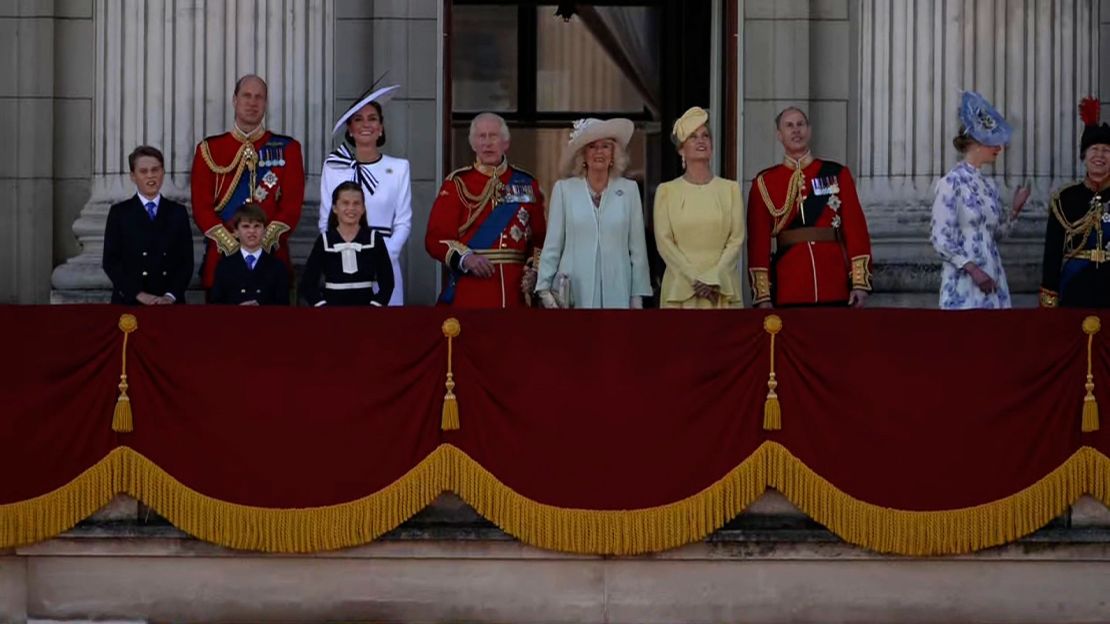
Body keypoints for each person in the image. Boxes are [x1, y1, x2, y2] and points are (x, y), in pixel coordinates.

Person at [746, 107, 872, 308]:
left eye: (800, 124)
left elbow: (855, 230)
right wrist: (763, 296)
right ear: (779, 135)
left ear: (809, 130)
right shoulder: (765, 182)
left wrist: (859, 283)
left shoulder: (836, 173)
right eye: (789, 126)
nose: (796, 130)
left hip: (833, 281)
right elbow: (758, 244)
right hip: (790, 286)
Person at [190, 74, 305, 293]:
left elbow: (291, 207)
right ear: (235, 100)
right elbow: (201, 207)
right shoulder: (209, 150)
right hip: (222, 260)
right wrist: (232, 244)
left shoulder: (288, 149)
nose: (252, 103)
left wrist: (260, 241)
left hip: (271, 261)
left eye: (259, 97)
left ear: (265, 103)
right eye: (246, 96)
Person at [425, 112, 546, 308]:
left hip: (515, 291)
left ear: (505, 143)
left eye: (493, 136)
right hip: (471, 289)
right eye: (482, 137)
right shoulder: (457, 184)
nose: (487, 143)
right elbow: (435, 239)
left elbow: (540, 239)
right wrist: (467, 259)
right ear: (473, 144)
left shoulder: (526, 183)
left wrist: (534, 271)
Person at [535, 118, 652, 309]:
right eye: (592, 147)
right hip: (572, 292)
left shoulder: (629, 190)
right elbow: (553, 245)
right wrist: (544, 290)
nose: (599, 152)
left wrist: (637, 297)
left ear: (614, 153)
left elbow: (637, 250)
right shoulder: (564, 190)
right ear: (583, 155)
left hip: (618, 291)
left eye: (605, 146)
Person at [930, 91, 1030, 310]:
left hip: (993, 278)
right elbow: (940, 239)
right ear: (976, 143)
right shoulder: (951, 183)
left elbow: (994, 236)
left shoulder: (988, 185)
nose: (999, 149)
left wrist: (1014, 211)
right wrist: (972, 269)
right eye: (993, 142)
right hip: (964, 283)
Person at [318, 83, 411, 306]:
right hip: (343, 263)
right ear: (350, 129)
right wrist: (340, 255)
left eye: (372, 118)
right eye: (358, 119)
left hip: (385, 261)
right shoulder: (334, 167)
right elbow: (325, 221)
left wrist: (382, 257)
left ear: (381, 128)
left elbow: (403, 222)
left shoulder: (399, 168)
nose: (366, 124)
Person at [653, 107, 745, 309]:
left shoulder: (730, 189)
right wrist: (695, 279)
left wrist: (714, 278)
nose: (701, 140)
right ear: (681, 150)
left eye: (705, 136)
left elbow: (736, 240)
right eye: (693, 137)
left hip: (721, 289)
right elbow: (664, 242)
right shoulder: (666, 191)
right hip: (680, 290)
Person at [1040, 97, 1110, 307]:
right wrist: (1049, 298)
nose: (1100, 155)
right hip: (1075, 288)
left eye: (1106, 150)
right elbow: (1052, 253)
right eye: (1094, 150)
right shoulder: (1065, 198)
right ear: (1083, 156)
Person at [102, 146, 194, 305]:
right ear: (133, 176)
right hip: (131, 301)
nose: (150, 176)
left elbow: (186, 261)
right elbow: (111, 261)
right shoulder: (120, 213)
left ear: (163, 172)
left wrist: (171, 295)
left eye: (155, 170)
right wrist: (138, 294)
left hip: (168, 303)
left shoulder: (177, 212)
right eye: (143, 171)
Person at [301, 181, 394, 307]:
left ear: (363, 208)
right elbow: (308, 282)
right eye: (345, 203)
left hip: (366, 312)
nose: (351, 208)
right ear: (335, 208)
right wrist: (322, 307)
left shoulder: (374, 239)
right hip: (332, 313)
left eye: (356, 203)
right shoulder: (324, 241)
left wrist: (375, 306)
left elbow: (388, 282)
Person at [209, 205, 290, 305]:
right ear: (236, 232)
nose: (252, 231)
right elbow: (216, 305)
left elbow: (283, 307)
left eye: (257, 226)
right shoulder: (224, 266)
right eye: (246, 226)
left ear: (264, 231)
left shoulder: (278, 267)